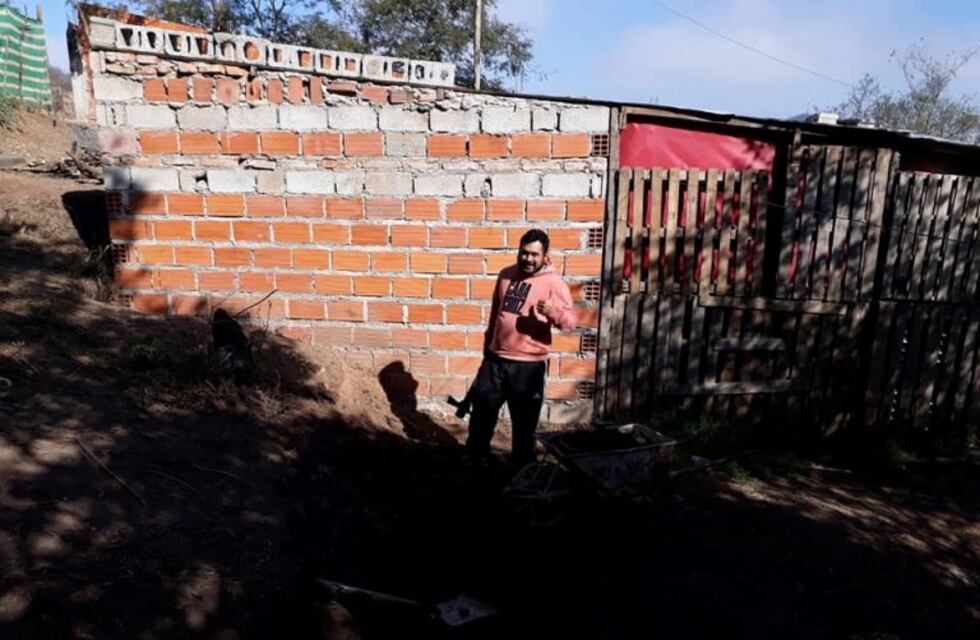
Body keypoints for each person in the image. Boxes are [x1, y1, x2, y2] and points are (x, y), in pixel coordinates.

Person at [465, 228, 577, 468]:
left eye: (534, 255)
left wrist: (553, 312)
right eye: (524, 253)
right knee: (481, 417)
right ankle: (474, 464)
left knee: (524, 427)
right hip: (495, 361)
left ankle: (521, 474)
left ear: (545, 256)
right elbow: (496, 314)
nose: (528, 259)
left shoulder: (553, 283)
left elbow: (570, 324)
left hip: (528, 367)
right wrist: (487, 349)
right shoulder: (505, 275)